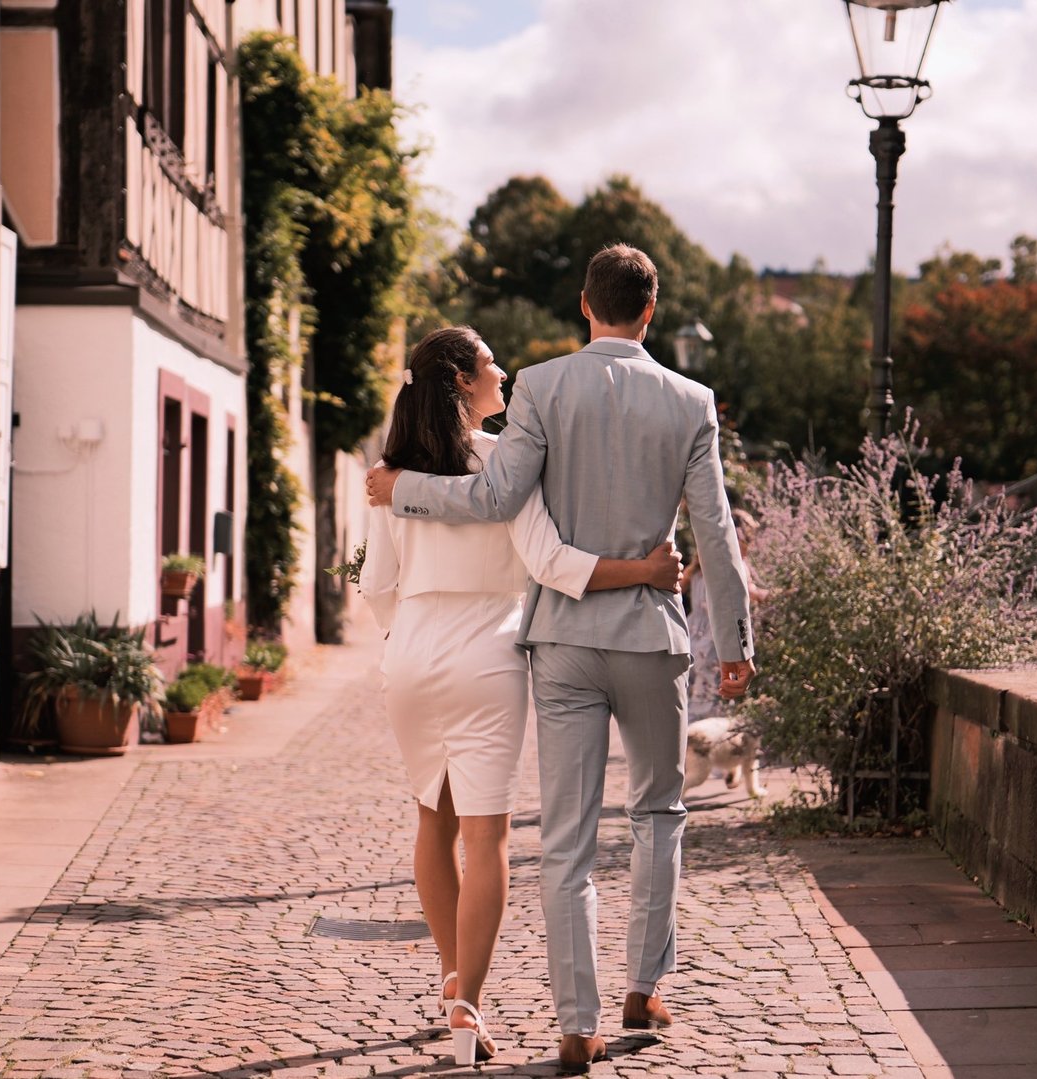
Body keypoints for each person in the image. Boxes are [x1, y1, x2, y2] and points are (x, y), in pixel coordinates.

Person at [369, 244, 756, 1075]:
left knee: (567, 839)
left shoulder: (541, 386)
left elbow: (494, 498)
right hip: (651, 636)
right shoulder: (691, 400)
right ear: (649, 312)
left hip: (564, 646)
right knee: (658, 814)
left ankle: (574, 1023)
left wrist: (400, 488)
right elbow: (716, 533)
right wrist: (739, 647)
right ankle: (644, 987)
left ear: (586, 305)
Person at [683, 509, 767, 722]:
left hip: (691, 640)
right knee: (714, 698)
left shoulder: (699, 566)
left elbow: (677, 586)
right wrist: (778, 595)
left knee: (690, 698)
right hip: (717, 643)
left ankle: (686, 744)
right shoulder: (735, 566)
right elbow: (752, 592)